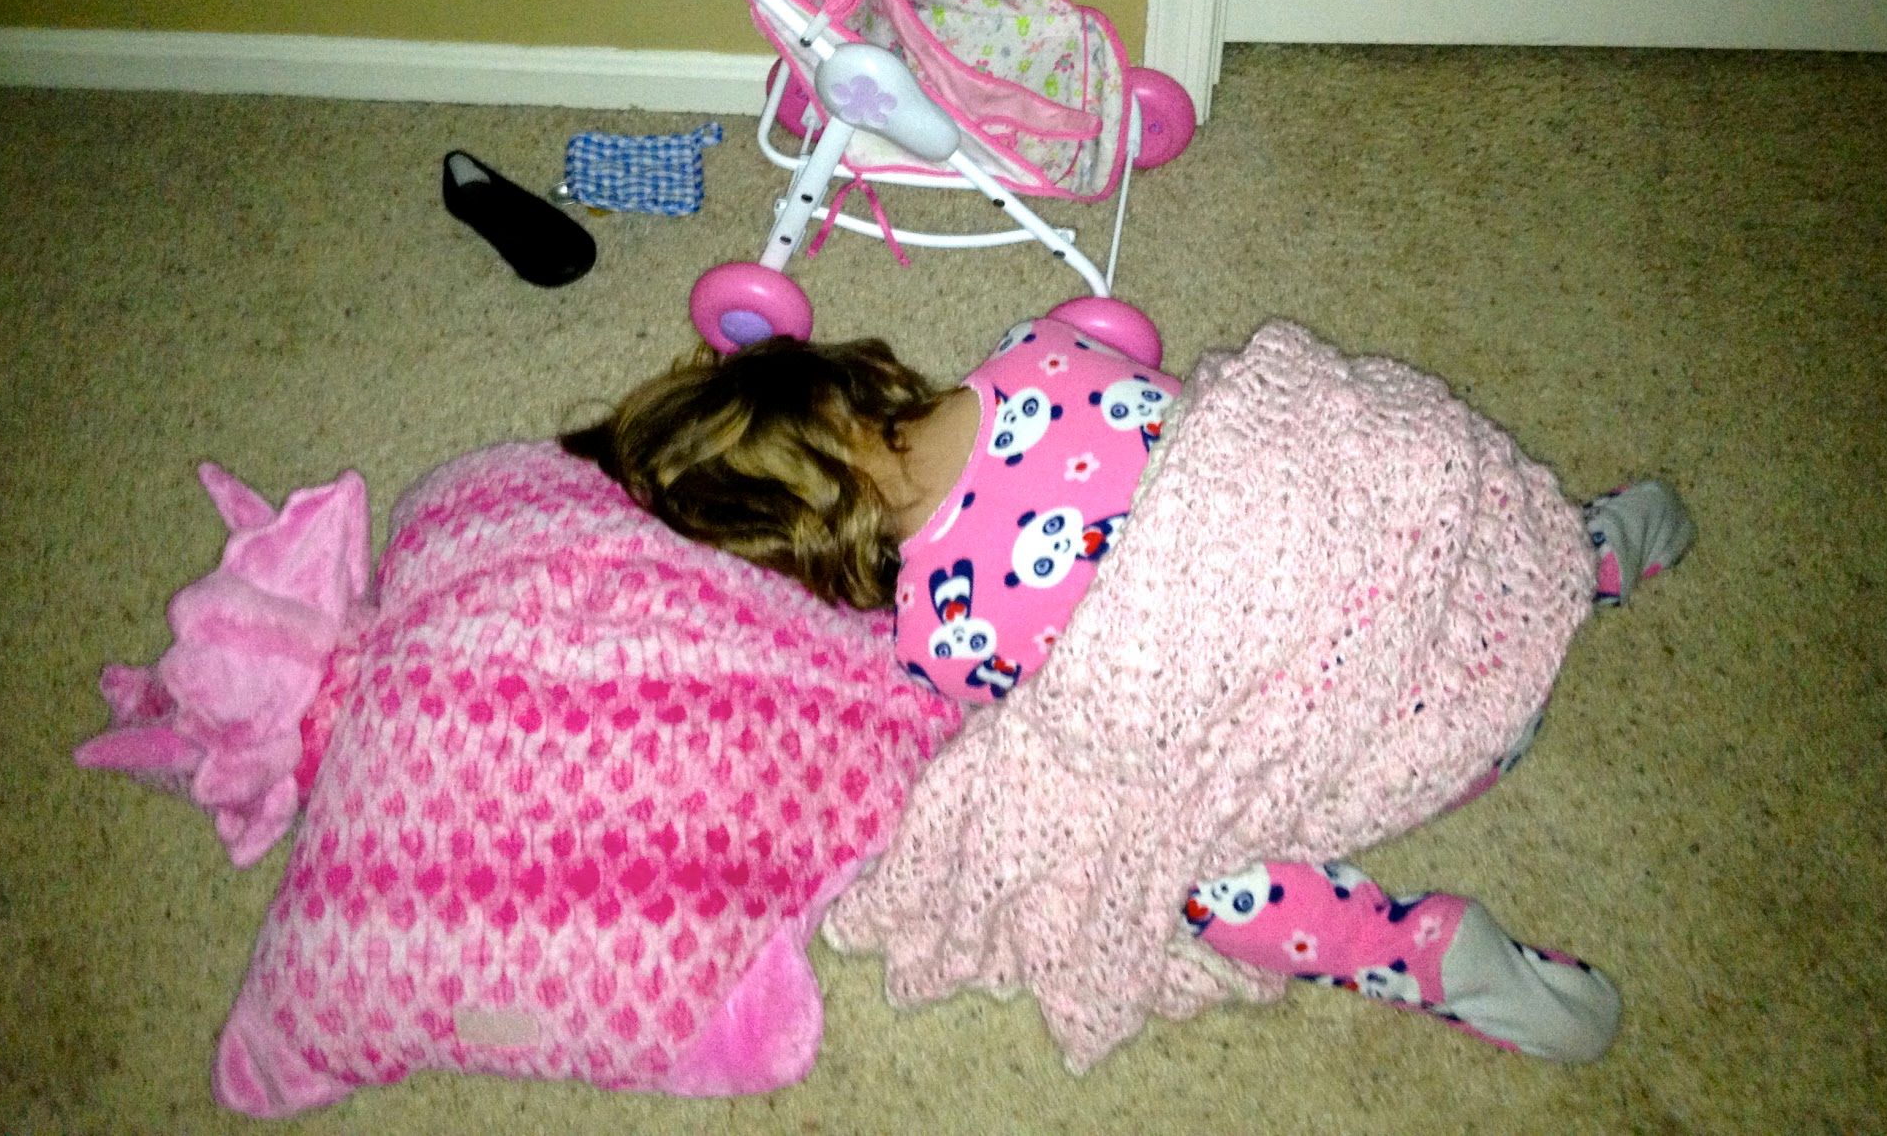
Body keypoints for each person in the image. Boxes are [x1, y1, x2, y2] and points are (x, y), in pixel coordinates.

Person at [561, 315, 1694, 1062]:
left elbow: (1081, 739)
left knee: (1164, 871)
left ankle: (1416, 954)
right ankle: (1589, 549)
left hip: (1406, 737)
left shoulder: (934, 629)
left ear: (797, 546)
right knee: (1370, 473)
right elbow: (1200, 413)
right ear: (835, 381)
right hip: (1472, 605)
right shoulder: (1031, 356)